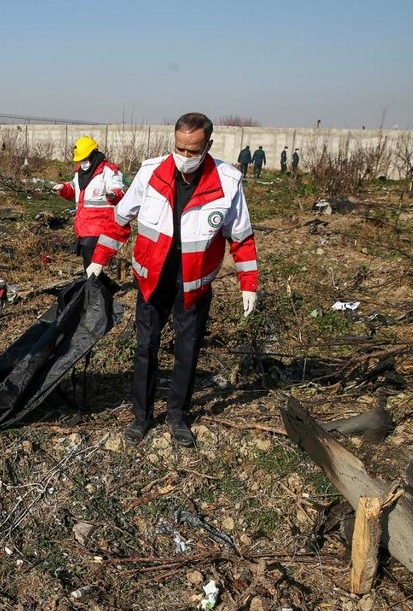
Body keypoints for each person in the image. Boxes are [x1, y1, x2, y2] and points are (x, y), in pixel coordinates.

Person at [87, 112, 259, 446]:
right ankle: (142, 416)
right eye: (179, 148)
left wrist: (248, 283)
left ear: (208, 145)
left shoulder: (227, 181)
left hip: (194, 281)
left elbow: (241, 237)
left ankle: (178, 416)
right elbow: (121, 219)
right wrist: (99, 259)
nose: (184, 157)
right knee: (146, 346)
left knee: (188, 349)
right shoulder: (151, 173)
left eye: (193, 151)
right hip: (154, 276)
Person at [52, 136, 128, 269]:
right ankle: (99, 287)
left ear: (93, 155)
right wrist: (63, 188)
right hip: (84, 226)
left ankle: (95, 287)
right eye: (80, 160)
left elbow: (119, 192)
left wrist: (113, 195)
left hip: (101, 225)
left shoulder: (108, 171)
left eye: (85, 159)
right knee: (89, 263)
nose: (83, 163)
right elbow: (73, 190)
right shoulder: (80, 174)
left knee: (91, 259)